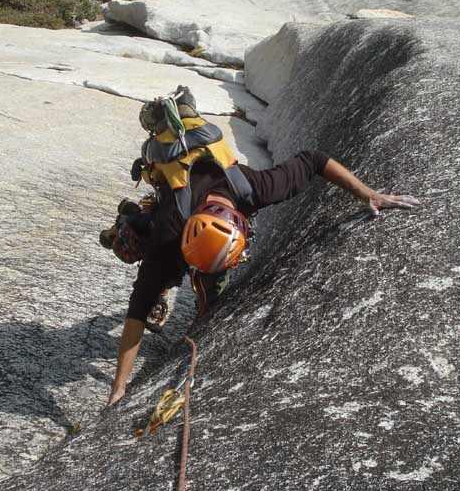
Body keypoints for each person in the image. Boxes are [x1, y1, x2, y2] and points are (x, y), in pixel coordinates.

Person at [104, 149, 419, 406]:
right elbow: (137, 310)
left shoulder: (254, 188)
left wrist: (368, 194)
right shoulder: (167, 240)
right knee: (132, 245)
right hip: (168, 209)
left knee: (210, 296)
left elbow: (314, 160)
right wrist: (119, 387)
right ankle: (127, 221)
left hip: (200, 191)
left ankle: (186, 268)